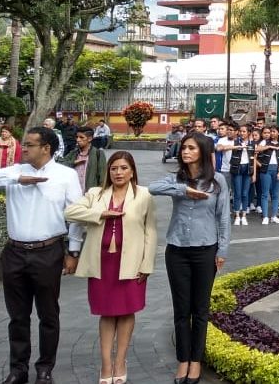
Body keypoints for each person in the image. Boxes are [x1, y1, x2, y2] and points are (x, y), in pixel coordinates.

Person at [0, 126, 85, 384]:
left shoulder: (65, 175)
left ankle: (45, 368)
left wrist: (74, 250)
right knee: (18, 316)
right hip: (14, 252)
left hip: (48, 251)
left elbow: (77, 215)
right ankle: (18, 368)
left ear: (46, 148)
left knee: (48, 314)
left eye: (30, 144)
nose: (24, 148)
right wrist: (16, 180)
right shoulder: (16, 170)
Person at [64, 152, 156, 384]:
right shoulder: (96, 194)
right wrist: (100, 214)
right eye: (114, 168)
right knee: (106, 314)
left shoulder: (144, 195)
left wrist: (147, 264)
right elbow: (70, 212)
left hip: (131, 263)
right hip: (101, 264)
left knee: (126, 312)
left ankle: (120, 362)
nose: (118, 173)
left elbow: (150, 231)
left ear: (132, 171)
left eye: (124, 168)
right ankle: (106, 365)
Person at [148, 132, 229, 384]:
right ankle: (183, 360)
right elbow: (152, 188)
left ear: (203, 152)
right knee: (181, 310)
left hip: (206, 250)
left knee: (200, 309)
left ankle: (196, 360)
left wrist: (222, 250)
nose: (185, 152)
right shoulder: (177, 178)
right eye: (184, 148)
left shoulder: (217, 181)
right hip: (177, 250)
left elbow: (223, 217)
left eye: (191, 148)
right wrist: (184, 190)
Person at [60, 126, 107, 192]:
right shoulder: (74, 152)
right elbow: (60, 164)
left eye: (81, 137)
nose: (78, 140)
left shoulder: (98, 154)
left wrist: (100, 192)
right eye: (77, 137)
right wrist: (74, 162)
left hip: (89, 194)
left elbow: (103, 176)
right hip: (73, 193)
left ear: (90, 138)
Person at [255, 125, 279, 224]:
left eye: (274, 131)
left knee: (275, 194)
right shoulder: (265, 142)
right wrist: (268, 146)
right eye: (271, 131)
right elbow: (257, 150)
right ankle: (265, 216)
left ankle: (274, 216)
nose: (272, 133)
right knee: (265, 193)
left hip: (277, 169)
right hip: (266, 169)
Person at [230, 126, 254, 226]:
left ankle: (244, 215)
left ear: (248, 133)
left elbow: (254, 157)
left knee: (245, 193)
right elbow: (226, 148)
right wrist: (238, 147)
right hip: (238, 168)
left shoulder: (252, 143)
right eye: (240, 131)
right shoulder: (235, 141)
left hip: (248, 169)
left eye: (244, 131)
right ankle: (237, 215)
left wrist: (254, 174)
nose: (242, 133)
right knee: (237, 193)